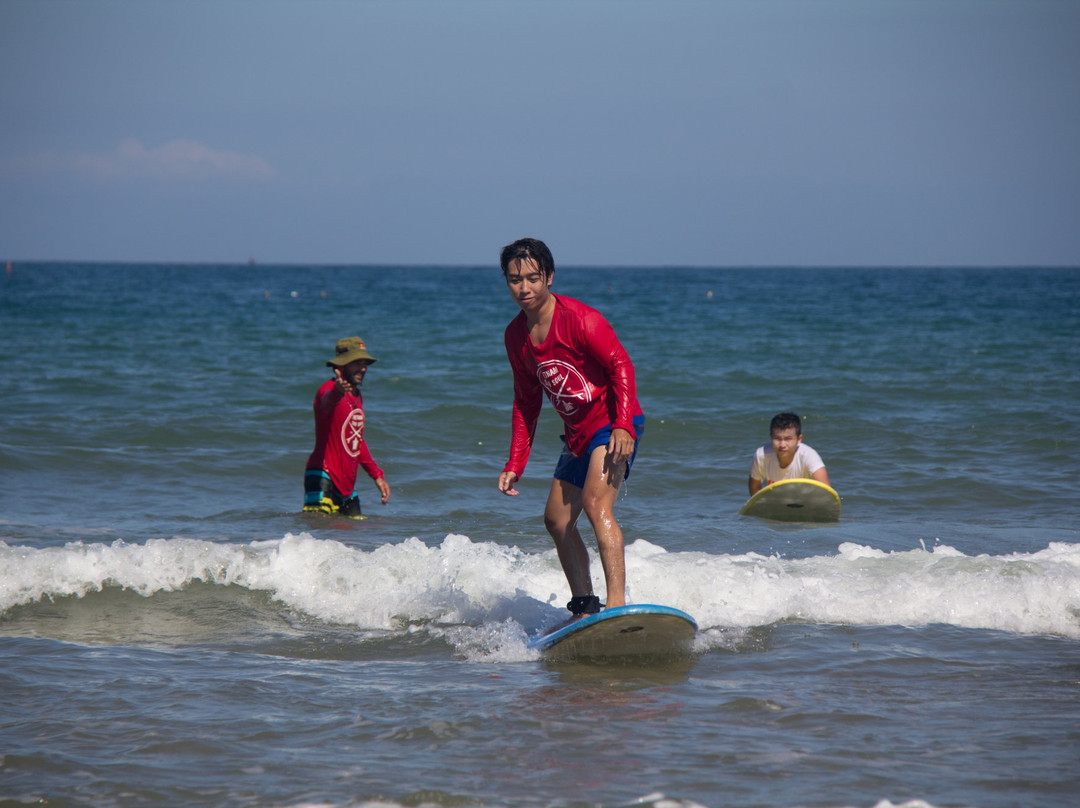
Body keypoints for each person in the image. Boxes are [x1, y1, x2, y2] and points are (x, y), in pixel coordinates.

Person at [497, 237, 644, 615]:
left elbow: (620, 366)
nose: (524, 287)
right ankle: (584, 605)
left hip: (613, 422)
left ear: (548, 277)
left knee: (597, 505)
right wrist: (516, 463)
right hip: (579, 433)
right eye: (515, 279)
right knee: (557, 521)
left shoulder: (580, 320)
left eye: (532, 277)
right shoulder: (516, 337)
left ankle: (616, 607)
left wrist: (623, 426)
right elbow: (526, 402)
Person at [303, 337, 391, 517]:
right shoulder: (326, 390)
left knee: (354, 536)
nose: (364, 368)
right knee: (317, 532)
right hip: (322, 477)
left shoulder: (357, 396)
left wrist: (377, 475)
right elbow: (326, 403)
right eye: (357, 363)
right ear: (342, 365)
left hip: (348, 486)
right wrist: (337, 391)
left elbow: (356, 440)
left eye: (365, 363)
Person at [747, 412, 831, 496]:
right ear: (771, 437)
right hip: (778, 502)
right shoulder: (762, 455)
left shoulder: (809, 457)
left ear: (799, 439)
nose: (782, 445)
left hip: (806, 502)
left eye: (788, 439)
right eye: (777, 438)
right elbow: (754, 487)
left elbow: (827, 493)